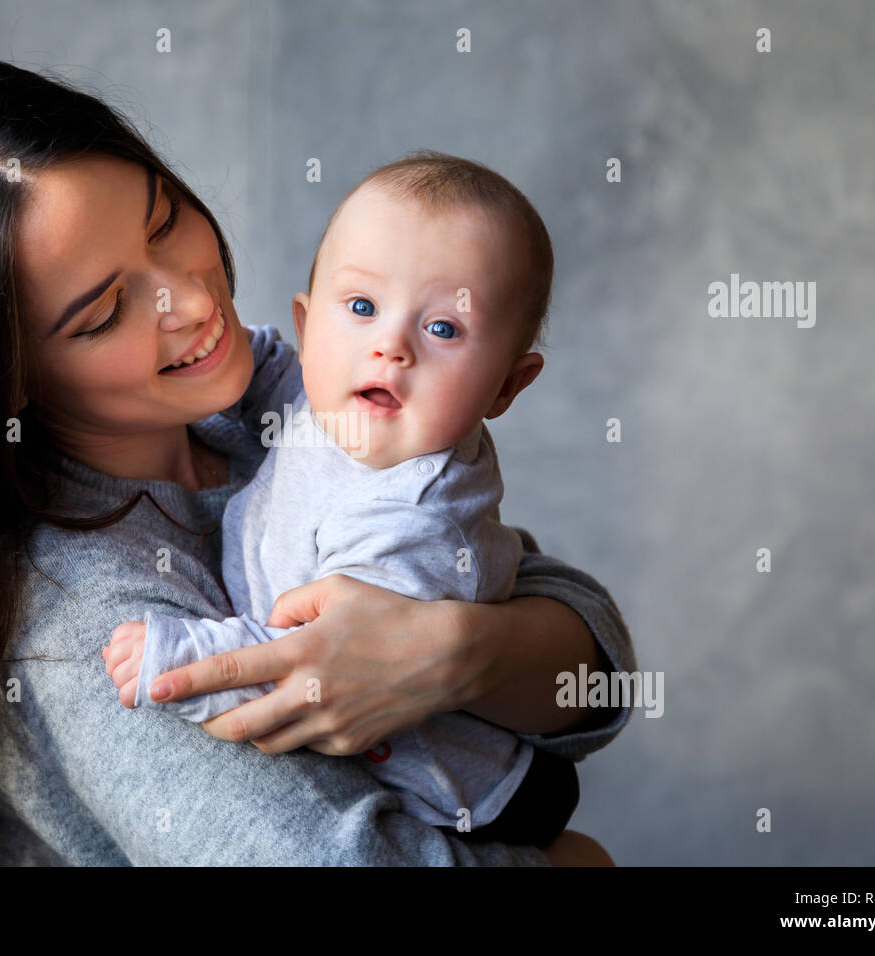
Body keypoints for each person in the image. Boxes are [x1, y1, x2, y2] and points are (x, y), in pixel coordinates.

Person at [0, 56, 634, 866]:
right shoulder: (89, 628)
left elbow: (585, 649)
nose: (188, 299)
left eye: (165, 220)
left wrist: (454, 653)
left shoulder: (257, 414)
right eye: (104, 312)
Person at [105, 151, 584, 848]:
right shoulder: (321, 395)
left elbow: (312, 661)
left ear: (507, 388)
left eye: (444, 329)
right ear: (308, 329)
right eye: (361, 307)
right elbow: (263, 368)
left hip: (463, 796)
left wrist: (182, 653)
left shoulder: (412, 518)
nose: (390, 347)